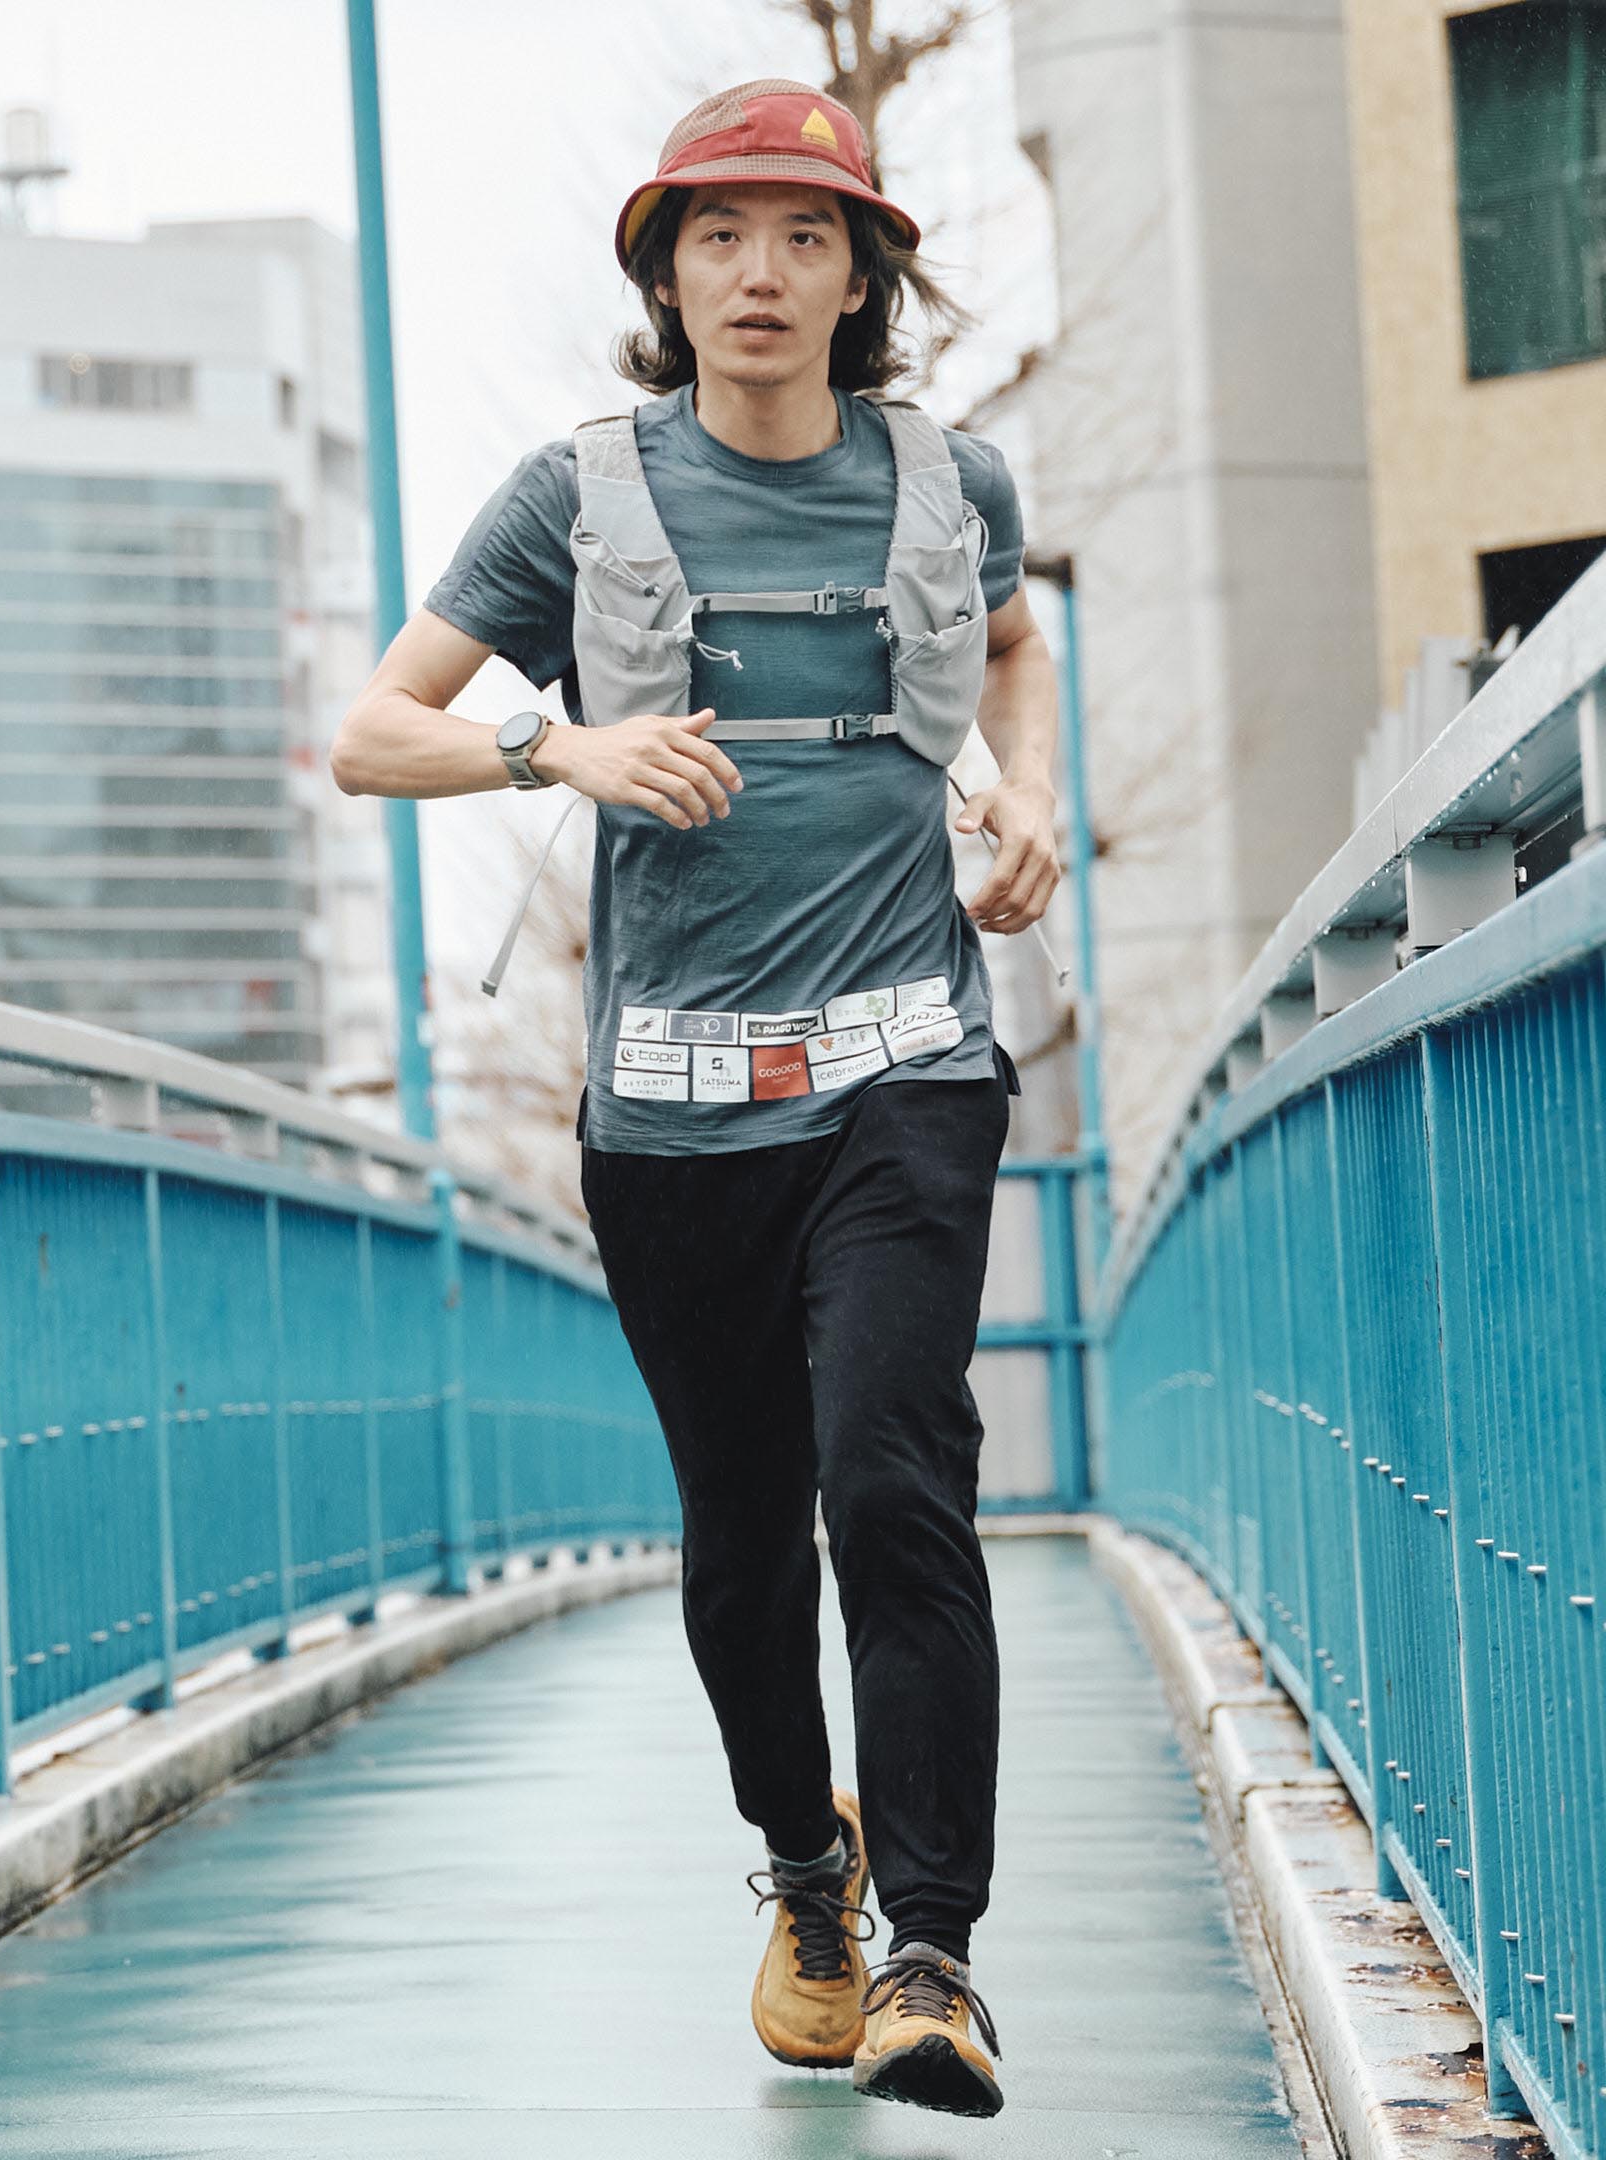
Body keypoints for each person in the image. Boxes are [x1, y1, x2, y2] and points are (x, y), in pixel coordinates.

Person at [330, 78, 1061, 2119]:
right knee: (745, 1543)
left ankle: (933, 1957)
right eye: (719, 234)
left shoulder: (952, 484)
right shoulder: (575, 500)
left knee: (893, 1476)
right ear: (665, 275)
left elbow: (1013, 650)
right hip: (673, 1113)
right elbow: (372, 734)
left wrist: (1024, 798)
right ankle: (810, 1870)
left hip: (908, 1068)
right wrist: (555, 750)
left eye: (807, 235)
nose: (761, 271)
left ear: (861, 279)